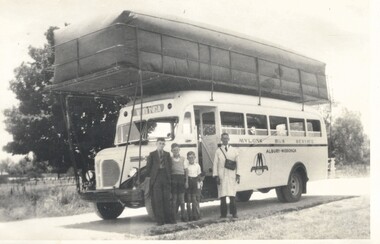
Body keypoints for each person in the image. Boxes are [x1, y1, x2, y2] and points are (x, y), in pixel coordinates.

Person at [146, 138, 174, 225]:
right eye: (160, 143)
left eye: (163, 144)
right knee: (158, 200)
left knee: (166, 199)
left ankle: (168, 219)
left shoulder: (167, 154)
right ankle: (160, 221)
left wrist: (169, 177)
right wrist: (152, 178)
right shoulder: (152, 154)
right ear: (156, 144)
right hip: (156, 178)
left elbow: (170, 166)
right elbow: (148, 168)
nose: (161, 145)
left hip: (165, 176)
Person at [212, 132, 240, 218]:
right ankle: (223, 214)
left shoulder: (234, 150)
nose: (225, 140)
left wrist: (238, 174)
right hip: (222, 176)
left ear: (229, 139)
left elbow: (238, 163)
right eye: (223, 138)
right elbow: (215, 163)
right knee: (222, 196)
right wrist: (216, 175)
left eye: (226, 138)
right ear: (221, 139)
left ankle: (234, 213)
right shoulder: (218, 151)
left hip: (231, 175)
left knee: (232, 196)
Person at [170, 143, 188, 222]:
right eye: (174, 150)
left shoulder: (183, 159)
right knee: (174, 199)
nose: (176, 151)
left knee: (182, 199)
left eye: (177, 150)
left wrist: (186, 181)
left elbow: (186, 170)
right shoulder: (170, 159)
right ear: (171, 151)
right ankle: (174, 217)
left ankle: (183, 216)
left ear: (179, 150)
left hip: (181, 179)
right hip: (174, 179)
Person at [185, 151, 204, 221]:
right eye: (189, 157)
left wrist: (200, 183)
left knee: (194, 199)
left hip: (195, 182)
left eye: (192, 157)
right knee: (188, 199)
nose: (191, 159)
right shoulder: (186, 166)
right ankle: (189, 216)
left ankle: (195, 215)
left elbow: (199, 175)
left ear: (195, 157)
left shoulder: (197, 165)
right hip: (189, 181)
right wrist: (186, 182)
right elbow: (186, 175)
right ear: (187, 158)